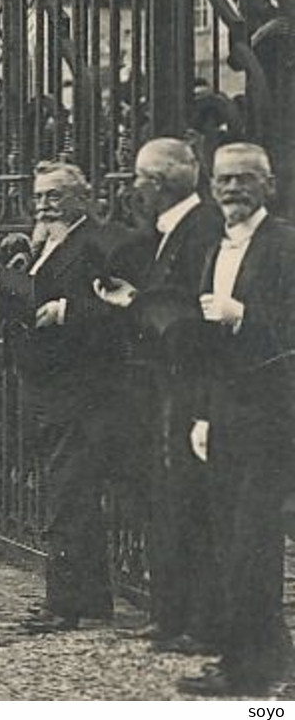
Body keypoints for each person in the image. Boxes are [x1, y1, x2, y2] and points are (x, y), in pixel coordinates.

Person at [95, 138, 223, 654]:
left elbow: (190, 310)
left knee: (191, 502)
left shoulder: (202, 230)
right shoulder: (167, 231)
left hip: (191, 383)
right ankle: (170, 614)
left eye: (140, 180)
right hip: (162, 382)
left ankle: (200, 619)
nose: (133, 190)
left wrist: (133, 302)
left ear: (162, 183)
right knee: (166, 501)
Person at [176, 143, 295, 696]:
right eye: (223, 180)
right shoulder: (213, 247)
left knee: (253, 540)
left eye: (244, 180)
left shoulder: (285, 245)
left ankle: (246, 669)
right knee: (230, 536)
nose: (231, 190)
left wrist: (243, 316)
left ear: (267, 186)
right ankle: (267, 656)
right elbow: (204, 345)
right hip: (224, 412)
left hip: (269, 414)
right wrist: (201, 413)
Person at [13, 160, 130, 633]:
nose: (44, 205)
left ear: (82, 197)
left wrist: (67, 311)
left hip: (81, 389)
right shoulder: (45, 241)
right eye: (40, 196)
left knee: (67, 496)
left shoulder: (99, 244)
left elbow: (122, 310)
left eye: (54, 196)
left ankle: (63, 604)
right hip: (50, 384)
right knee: (68, 492)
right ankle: (93, 598)